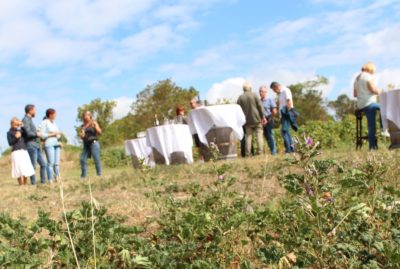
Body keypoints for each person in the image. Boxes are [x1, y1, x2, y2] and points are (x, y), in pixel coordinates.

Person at [353, 62, 382, 150]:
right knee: (384, 108)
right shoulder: (367, 76)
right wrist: (379, 91)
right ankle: (383, 128)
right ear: (370, 69)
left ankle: (383, 128)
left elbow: (355, 94)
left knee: (378, 110)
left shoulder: (357, 79)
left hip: (360, 104)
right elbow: (373, 90)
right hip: (369, 103)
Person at [22, 104, 51, 185]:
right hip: (30, 145)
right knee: (33, 166)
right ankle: (33, 184)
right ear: (30, 110)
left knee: (43, 164)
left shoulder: (30, 120)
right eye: (34, 110)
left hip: (36, 145)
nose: (35, 112)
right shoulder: (25, 120)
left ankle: (43, 183)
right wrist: (36, 133)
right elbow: (28, 133)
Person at [237, 82, 266, 156]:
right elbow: (260, 106)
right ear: (250, 88)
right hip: (256, 119)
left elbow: (238, 110)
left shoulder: (240, 98)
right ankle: (260, 153)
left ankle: (248, 154)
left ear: (243, 89)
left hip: (246, 121)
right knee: (259, 135)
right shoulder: (254, 95)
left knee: (248, 137)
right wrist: (263, 116)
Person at [270, 82, 297, 154]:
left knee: (284, 131)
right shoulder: (280, 94)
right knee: (286, 132)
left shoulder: (286, 90)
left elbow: (289, 101)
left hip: (286, 114)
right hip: (282, 115)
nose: (274, 92)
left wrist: (288, 113)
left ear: (276, 87)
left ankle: (289, 150)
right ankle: (291, 148)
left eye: (274, 90)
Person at [7, 118, 35, 186]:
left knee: (26, 167)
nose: (17, 126)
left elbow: (28, 135)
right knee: (18, 168)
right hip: (15, 152)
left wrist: (22, 126)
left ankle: (25, 183)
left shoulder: (21, 131)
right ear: (12, 124)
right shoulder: (9, 132)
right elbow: (10, 143)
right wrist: (16, 137)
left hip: (24, 151)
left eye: (18, 124)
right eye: (16, 124)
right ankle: (20, 184)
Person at [41, 109, 62, 182]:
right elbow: (42, 135)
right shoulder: (44, 122)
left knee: (56, 163)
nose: (56, 115)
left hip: (56, 143)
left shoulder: (54, 123)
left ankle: (58, 178)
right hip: (49, 144)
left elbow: (58, 133)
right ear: (50, 114)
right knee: (50, 162)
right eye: (54, 114)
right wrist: (53, 134)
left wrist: (59, 139)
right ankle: (50, 180)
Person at [80, 111, 102, 178]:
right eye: (84, 115)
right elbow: (81, 137)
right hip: (86, 144)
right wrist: (82, 133)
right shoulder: (83, 126)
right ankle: (84, 176)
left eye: (87, 115)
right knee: (82, 159)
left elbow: (100, 132)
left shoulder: (93, 123)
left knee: (96, 159)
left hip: (94, 143)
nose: (85, 116)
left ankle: (99, 175)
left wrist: (95, 127)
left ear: (90, 116)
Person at [259, 85, 278, 155]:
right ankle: (271, 150)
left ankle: (274, 151)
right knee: (266, 137)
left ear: (266, 92)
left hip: (269, 119)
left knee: (271, 136)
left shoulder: (270, 100)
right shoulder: (259, 101)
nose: (261, 93)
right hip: (261, 120)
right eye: (260, 91)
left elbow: (275, 111)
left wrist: (269, 119)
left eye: (262, 91)